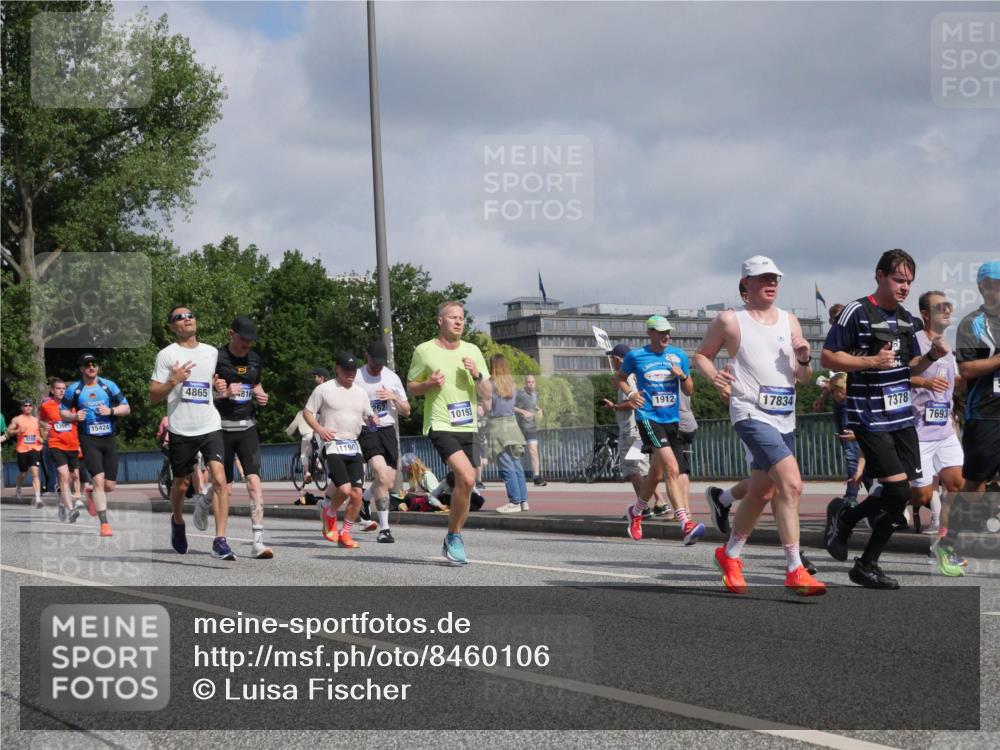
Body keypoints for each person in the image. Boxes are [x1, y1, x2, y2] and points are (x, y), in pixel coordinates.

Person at [694, 255, 825, 596]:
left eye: (775, 279)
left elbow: (804, 378)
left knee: (763, 490)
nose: (771, 284)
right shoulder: (730, 320)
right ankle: (795, 568)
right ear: (745, 285)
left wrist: (805, 359)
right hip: (749, 411)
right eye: (763, 278)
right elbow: (702, 355)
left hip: (784, 415)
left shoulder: (790, 321)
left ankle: (729, 553)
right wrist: (716, 379)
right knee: (791, 483)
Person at [821, 249, 948, 589]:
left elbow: (909, 370)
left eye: (909, 281)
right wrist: (870, 362)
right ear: (879, 275)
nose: (904, 287)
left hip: (902, 417)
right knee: (898, 489)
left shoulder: (907, 320)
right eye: (898, 279)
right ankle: (866, 562)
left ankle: (847, 521)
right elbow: (828, 357)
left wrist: (931, 357)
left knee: (902, 496)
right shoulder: (856, 312)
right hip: (868, 416)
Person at [407, 300, 492, 565]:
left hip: (468, 425)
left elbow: (488, 394)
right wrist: (428, 384)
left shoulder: (473, 350)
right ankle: (455, 538)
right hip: (440, 423)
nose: (458, 321)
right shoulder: (424, 351)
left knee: (466, 484)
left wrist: (477, 374)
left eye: (462, 318)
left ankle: (453, 535)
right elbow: (411, 387)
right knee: (466, 477)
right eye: (453, 317)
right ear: (440, 321)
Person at [150, 306, 233, 560]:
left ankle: (220, 540)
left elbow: (214, 387)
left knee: (220, 479)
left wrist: (220, 387)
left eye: (190, 315)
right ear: (172, 327)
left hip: (210, 424)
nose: (186, 319)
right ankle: (177, 520)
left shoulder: (210, 352)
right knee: (182, 483)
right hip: (181, 428)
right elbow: (153, 396)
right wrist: (173, 380)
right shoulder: (166, 355)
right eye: (179, 318)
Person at [615, 315, 705, 545]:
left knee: (655, 473)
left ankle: (636, 512)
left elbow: (690, 389)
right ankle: (685, 523)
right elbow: (620, 378)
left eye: (668, 332)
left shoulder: (678, 355)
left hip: (671, 419)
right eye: (661, 332)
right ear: (650, 333)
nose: (666, 336)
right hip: (648, 417)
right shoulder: (636, 356)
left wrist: (683, 376)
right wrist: (632, 394)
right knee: (672, 468)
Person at [906, 291, 966, 575]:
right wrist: (924, 383)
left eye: (949, 306)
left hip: (944, 429)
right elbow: (902, 376)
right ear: (925, 313)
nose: (947, 310)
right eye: (940, 307)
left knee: (956, 484)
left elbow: (951, 385)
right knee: (921, 495)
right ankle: (887, 497)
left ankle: (942, 544)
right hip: (918, 431)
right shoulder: (914, 340)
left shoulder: (949, 347)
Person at [948, 261, 1000, 567]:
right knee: (974, 488)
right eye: (994, 283)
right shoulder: (973, 323)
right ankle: (948, 542)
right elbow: (966, 369)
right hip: (986, 414)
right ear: (983, 287)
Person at [214, 315, 273, 559]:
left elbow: (255, 384)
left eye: (251, 340)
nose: (247, 344)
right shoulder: (216, 358)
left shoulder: (255, 359)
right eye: (243, 339)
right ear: (231, 334)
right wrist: (224, 393)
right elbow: (204, 394)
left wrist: (262, 395)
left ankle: (257, 541)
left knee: (254, 482)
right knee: (222, 486)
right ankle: (205, 502)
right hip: (221, 428)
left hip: (247, 427)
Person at [305, 351, 376, 549]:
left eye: (353, 370)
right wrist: (320, 429)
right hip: (332, 444)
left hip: (353, 445)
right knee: (344, 490)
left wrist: (373, 420)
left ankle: (345, 533)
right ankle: (329, 514)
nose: (350, 373)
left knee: (357, 494)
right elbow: (307, 412)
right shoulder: (324, 390)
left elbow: (369, 416)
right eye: (346, 370)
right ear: (337, 368)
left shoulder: (360, 392)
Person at [62, 354, 130, 536]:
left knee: (109, 486)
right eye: (87, 365)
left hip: (108, 438)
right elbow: (63, 413)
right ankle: (104, 524)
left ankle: (91, 492)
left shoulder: (108, 386)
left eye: (94, 364)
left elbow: (127, 407)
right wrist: (75, 416)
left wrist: (112, 410)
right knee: (99, 479)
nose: (92, 367)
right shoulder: (74, 390)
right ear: (82, 369)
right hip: (88, 439)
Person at [602, 344, 671, 518]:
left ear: (619, 360)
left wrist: (614, 406)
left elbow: (633, 402)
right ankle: (660, 503)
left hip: (631, 430)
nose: (612, 362)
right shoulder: (634, 375)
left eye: (613, 359)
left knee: (632, 469)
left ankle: (643, 508)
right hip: (638, 428)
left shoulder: (629, 378)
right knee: (644, 469)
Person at [357, 339, 412, 543]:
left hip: (388, 430)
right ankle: (385, 529)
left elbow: (407, 411)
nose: (378, 366)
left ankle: (364, 499)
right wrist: (365, 416)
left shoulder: (392, 378)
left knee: (387, 482)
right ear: (367, 356)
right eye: (374, 362)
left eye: (381, 363)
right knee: (380, 472)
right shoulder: (357, 377)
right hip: (367, 429)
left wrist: (393, 397)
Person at [489, 353, 529, 513]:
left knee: (506, 464)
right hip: (512, 425)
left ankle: (514, 501)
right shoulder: (512, 384)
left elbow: (488, 407)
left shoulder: (490, 384)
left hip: (498, 426)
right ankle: (523, 501)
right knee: (516, 464)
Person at [38, 379, 81, 523]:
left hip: (72, 445)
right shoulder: (46, 405)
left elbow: (80, 422)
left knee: (71, 477)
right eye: (58, 388)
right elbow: (41, 420)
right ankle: (71, 510)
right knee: (63, 476)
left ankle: (62, 504)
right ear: (52, 390)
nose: (62, 391)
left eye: (64, 388)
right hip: (56, 444)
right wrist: (45, 425)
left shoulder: (73, 405)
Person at [9, 399, 44, 507]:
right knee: (23, 473)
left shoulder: (36, 420)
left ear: (32, 408)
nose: (28, 407)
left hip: (35, 449)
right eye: (25, 405)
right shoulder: (17, 419)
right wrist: (17, 431)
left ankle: (38, 498)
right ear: (22, 408)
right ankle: (18, 489)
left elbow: (43, 435)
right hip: (22, 450)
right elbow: (8, 431)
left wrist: (42, 438)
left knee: (35, 472)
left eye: (30, 405)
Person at [515, 374, 546, 486]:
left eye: (532, 382)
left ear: (535, 383)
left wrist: (539, 410)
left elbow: (533, 405)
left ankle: (536, 478)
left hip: (531, 428)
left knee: (533, 451)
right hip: (519, 428)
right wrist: (522, 412)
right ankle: (514, 475)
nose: (530, 384)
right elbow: (510, 407)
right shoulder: (519, 393)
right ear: (525, 383)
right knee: (517, 453)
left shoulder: (535, 395)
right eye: (528, 382)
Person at [286, 399, 317, 484]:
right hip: (316, 435)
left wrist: (288, 433)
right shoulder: (315, 412)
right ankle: (318, 461)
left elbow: (293, 425)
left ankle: (307, 473)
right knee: (317, 450)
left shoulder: (300, 413)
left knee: (304, 455)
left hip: (306, 436)